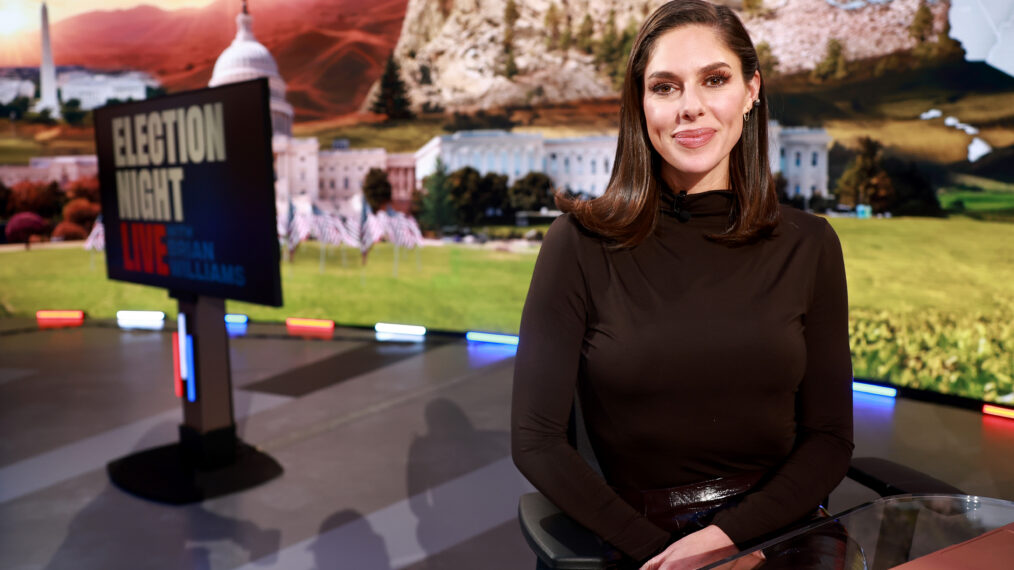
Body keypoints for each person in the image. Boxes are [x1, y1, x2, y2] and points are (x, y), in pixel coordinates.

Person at [510, 1, 854, 569]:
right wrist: (669, 558)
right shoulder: (578, 244)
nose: (690, 107)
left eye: (714, 80)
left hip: (779, 534)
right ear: (641, 105)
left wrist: (729, 541)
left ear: (751, 91)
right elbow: (536, 442)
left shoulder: (810, 243)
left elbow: (830, 438)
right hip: (641, 543)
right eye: (665, 87)